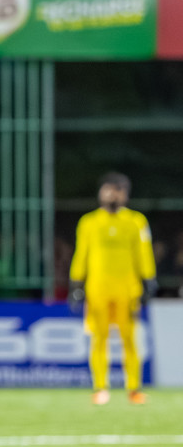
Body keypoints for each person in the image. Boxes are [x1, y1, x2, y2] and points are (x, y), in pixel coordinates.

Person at [69, 172, 157, 405]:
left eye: (116, 190)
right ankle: (100, 388)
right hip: (97, 290)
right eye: (107, 189)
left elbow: (144, 254)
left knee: (130, 339)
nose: (111, 194)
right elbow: (81, 255)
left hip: (128, 291)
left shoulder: (136, 221)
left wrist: (149, 281)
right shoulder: (89, 222)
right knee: (99, 339)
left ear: (125, 194)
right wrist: (76, 284)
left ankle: (134, 389)